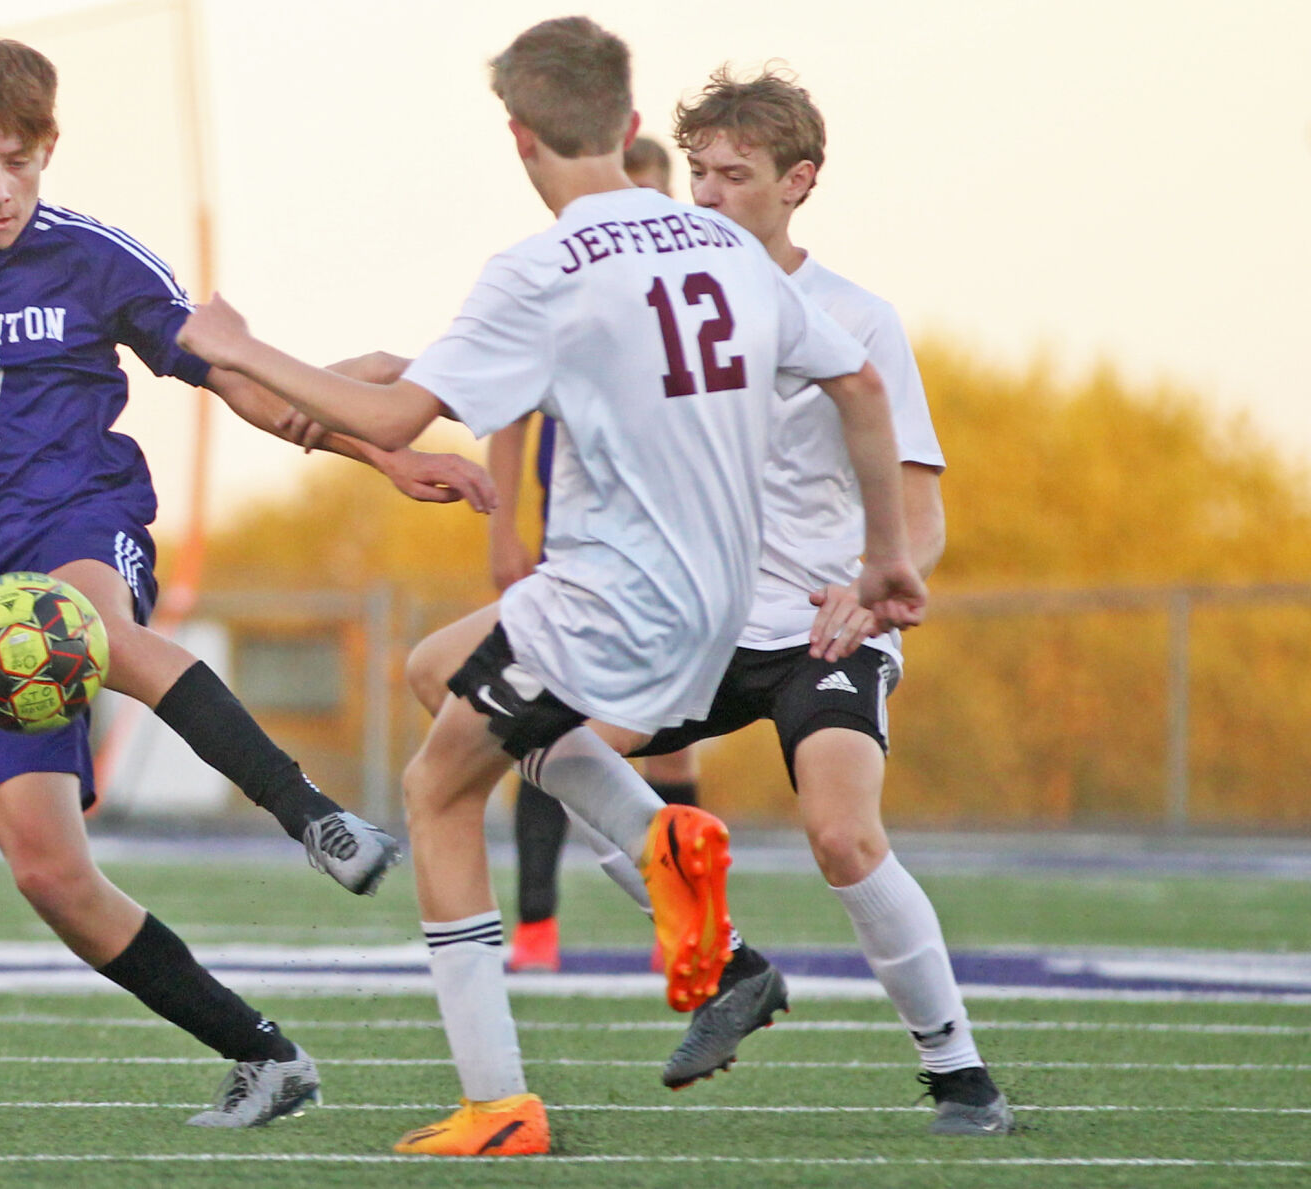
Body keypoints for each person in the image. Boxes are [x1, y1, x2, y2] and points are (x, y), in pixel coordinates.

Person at [0, 38, 494, 1130]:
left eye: (19, 161)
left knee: (90, 625)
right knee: (47, 872)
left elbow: (243, 385)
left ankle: (313, 817)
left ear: (49, 148)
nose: (0, 187)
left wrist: (378, 453)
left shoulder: (96, 260)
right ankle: (265, 1055)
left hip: (86, 521)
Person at [174, 17, 925, 1156]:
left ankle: (500, 1103)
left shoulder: (542, 266)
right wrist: (885, 558)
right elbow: (860, 384)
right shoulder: (717, 244)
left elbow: (388, 418)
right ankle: (668, 856)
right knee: (437, 672)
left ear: (519, 139)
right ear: (629, 128)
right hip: (720, 603)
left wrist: (230, 343)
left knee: (434, 795)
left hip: (612, 598)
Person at [629, 65, 1013, 1135]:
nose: (704, 195)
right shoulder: (666, 305)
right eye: (696, 173)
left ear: (799, 181)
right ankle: (728, 966)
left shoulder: (856, 318)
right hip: (699, 623)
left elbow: (921, 513)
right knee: (524, 737)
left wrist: (871, 585)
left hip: (820, 629)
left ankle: (959, 1075)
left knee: (842, 837)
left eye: (733, 174)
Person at [490, 135, 701, 974]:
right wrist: (502, 527)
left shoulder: (692, 288)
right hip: (573, 554)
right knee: (519, 724)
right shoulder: (562, 282)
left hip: (666, 557)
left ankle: (683, 917)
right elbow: (504, 405)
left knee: (664, 741)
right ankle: (538, 927)